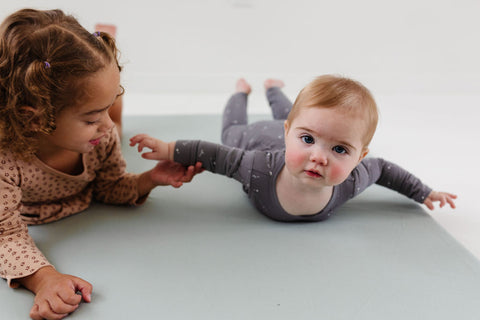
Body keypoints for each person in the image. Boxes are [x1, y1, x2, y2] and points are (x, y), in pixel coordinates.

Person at [0, 8, 202, 320]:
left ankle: (106, 85)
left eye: (104, 109)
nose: (104, 125)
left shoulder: (100, 138)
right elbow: (5, 233)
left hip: (87, 137)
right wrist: (44, 279)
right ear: (34, 119)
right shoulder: (5, 161)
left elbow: (109, 186)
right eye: (93, 117)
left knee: (118, 127)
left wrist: (150, 178)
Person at [130, 76, 457, 223]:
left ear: (360, 158)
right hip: (258, 136)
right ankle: (241, 92)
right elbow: (213, 154)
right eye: (307, 140)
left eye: (340, 149)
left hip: (288, 127)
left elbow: (384, 169)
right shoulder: (256, 165)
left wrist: (423, 192)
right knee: (230, 131)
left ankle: (274, 88)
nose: (319, 156)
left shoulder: (351, 181)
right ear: (290, 136)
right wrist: (168, 148)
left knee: (295, 116)